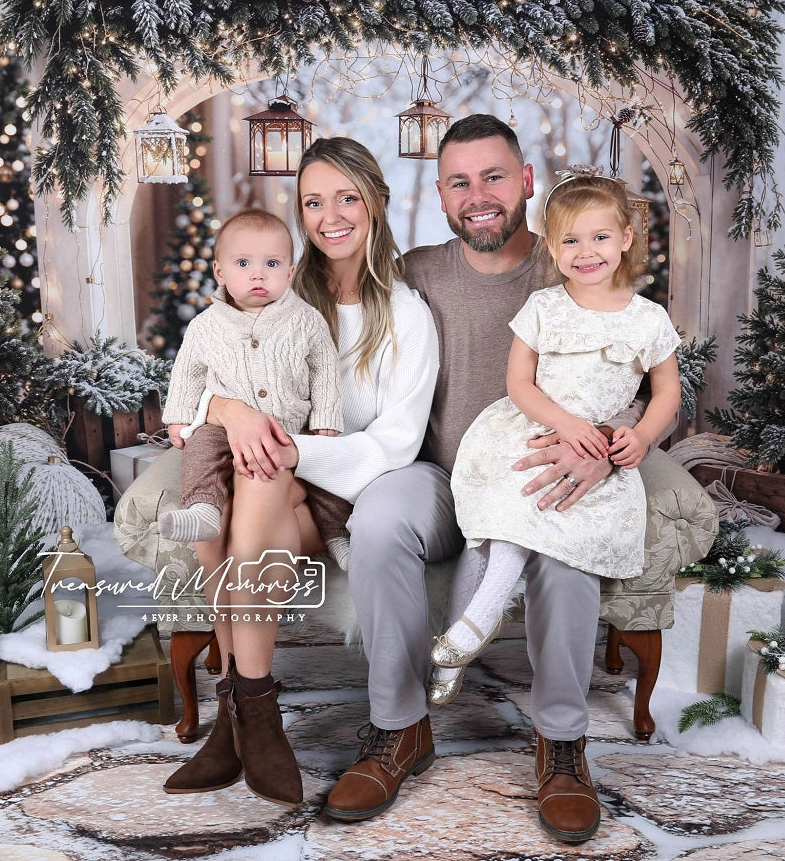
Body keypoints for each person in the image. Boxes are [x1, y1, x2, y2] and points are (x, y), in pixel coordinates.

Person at [323, 114, 649, 844]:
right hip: (440, 475)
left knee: (567, 547)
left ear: (527, 182)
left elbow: (648, 370)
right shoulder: (416, 273)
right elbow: (342, 343)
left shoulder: (577, 264)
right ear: (440, 195)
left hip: (543, 468)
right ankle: (398, 728)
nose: (479, 195)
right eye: (460, 182)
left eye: (494, 177)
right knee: (377, 520)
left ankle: (561, 744)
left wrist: (599, 444)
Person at [163, 138, 439, 811]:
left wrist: (287, 449)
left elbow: (396, 443)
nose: (331, 215)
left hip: (344, 485)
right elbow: (200, 379)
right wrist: (230, 410)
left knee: (257, 472)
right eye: (314, 201)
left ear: (377, 201)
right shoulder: (277, 287)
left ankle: (246, 711)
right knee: (237, 493)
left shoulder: (404, 313)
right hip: (272, 477)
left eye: (347, 196)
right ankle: (246, 719)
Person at [429, 174, 681, 695]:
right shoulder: (544, 307)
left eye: (600, 237)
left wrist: (641, 436)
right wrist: (565, 423)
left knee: (535, 520)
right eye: (570, 240)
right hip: (532, 432)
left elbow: (667, 395)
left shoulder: (648, 320)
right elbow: (518, 382)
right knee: (498, 523)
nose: (585, 252)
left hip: (598, 454)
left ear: (627, 239)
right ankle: (459, 644)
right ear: (551, 246)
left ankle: (475, 625)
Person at [159, 208, 343, 547]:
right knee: (200, 451)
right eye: (243, 264)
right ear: (220, 272)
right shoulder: (205, 325)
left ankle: (336, 535)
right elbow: (187, 372)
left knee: (322, 471)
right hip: (223, 430)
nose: (258, 275)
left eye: (271, 264)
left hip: (290, 425)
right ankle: (202, 507)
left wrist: (326, 419)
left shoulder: (306, 320)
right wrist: (178, 417)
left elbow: (325, 370)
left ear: (289, 273)